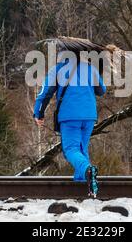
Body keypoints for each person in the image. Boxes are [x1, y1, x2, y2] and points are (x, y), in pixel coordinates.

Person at [33, 54, 106, 197]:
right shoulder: (90, 68)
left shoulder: (59, 69)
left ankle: (88, 170)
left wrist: (39, 113)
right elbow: (101, 90)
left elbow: (44, 93)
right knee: (81, 150)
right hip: (89, 116)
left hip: (70, 115)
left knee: (71, 150)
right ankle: (83, 188)